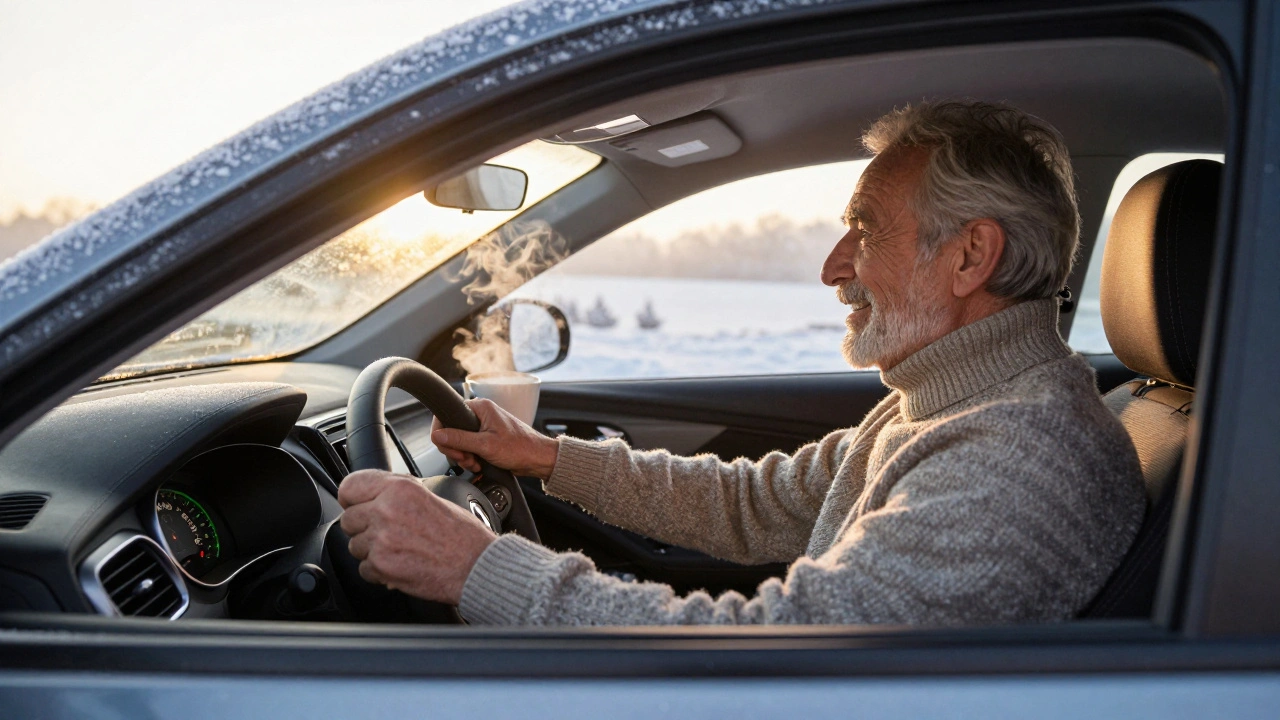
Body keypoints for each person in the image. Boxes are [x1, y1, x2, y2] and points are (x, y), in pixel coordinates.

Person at [337, 100, 1145, 626]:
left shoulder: (1017, 459)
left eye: (865, 229)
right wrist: (547, 456)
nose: (834, 267)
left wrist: (476, 565)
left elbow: (782, 658)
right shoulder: (946, 404)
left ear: (970, 257)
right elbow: (756, 503)